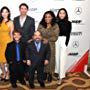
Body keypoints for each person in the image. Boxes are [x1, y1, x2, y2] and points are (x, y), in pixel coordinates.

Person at [37, 11, 59, 82]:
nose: (47, 18)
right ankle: (44, 73)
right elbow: (38, 34)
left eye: (49, 17)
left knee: (51, 59)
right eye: (46, 17)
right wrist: (43, 39)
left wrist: (48, 39)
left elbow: (55, 37)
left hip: (51, 45)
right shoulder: (41, 25)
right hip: (42, 45)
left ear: (52, 17)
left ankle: (50, 73)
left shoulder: (55, 25)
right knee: (43, 59)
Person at [55, 8, 72, 84]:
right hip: (56, 41)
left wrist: (65, 44)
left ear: (66, 14)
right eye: (60, 13)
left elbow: (68, 34)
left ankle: (61, 77)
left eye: (63, 13)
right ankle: (58, 74)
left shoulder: (68, 23)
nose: (61, 14)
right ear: (58, 14)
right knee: (57, 59)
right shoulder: (55, 22)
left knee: (62, 59)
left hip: (63, 41)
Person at [0, 6, 14, 81]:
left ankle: (8, 74)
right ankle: (4, 73)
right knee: (0, 61)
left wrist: (11, 45)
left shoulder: (10, 22)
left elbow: (11, 34)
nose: (4, 13)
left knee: (7, 61)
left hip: (7, 43)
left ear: (8, 13)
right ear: (1, 13)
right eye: (3, 12)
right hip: (0, 43)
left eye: (6, 12)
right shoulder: (0, 21)